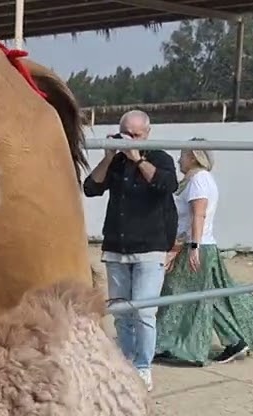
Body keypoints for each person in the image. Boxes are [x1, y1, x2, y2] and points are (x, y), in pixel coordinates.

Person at [82, 109, 178, 391]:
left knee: (145, 312)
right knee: (122, 312)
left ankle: (143, 366)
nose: (130, 140)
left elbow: (166, 184)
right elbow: (90, 188)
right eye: (126, 134)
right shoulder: (115, 162)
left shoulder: (160, 158)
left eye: (136, 135)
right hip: (117, 248)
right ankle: (124, 362)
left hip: (150, 249)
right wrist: (109, 156)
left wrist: (138, 159)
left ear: (147, 134)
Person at [155, 141, 253, 366]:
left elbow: (197, 216)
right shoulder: (198, 180)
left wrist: (192, 248)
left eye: (182, 156)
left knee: (180, 295)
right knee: (208, 295)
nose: (179, 160)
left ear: (193, 157)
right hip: (198, 245)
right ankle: (232, 340)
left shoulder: (199, 180)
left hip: (195, 246)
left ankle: (173, 344)